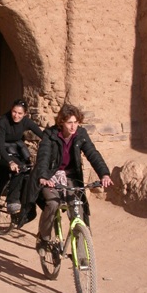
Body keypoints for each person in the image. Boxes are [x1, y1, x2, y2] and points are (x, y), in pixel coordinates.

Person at [22, 103, 113, 254]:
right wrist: (44, 177)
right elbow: (43, 156)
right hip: (51, 175)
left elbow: (92, 154)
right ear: (61, 122)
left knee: (78, 207)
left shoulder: (81, 134)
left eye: (76, 122)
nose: (73, 126)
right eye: (69, 122)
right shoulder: (50, 135)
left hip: (71, 175)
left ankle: (83, 255)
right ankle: (43, 239)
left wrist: (104, 173)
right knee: (52, 203)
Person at [0, 99, 43, 214]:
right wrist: (10, 162)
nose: (16, 115)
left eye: (20, 113)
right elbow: (0, 146)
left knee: (26, 167)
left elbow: (41, 133)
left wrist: (52, 142)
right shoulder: (3, 121)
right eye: (14, 112)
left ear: (25, 114)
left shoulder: (26, 121)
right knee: (18, 167)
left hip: (14, 147)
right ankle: (12, 201)